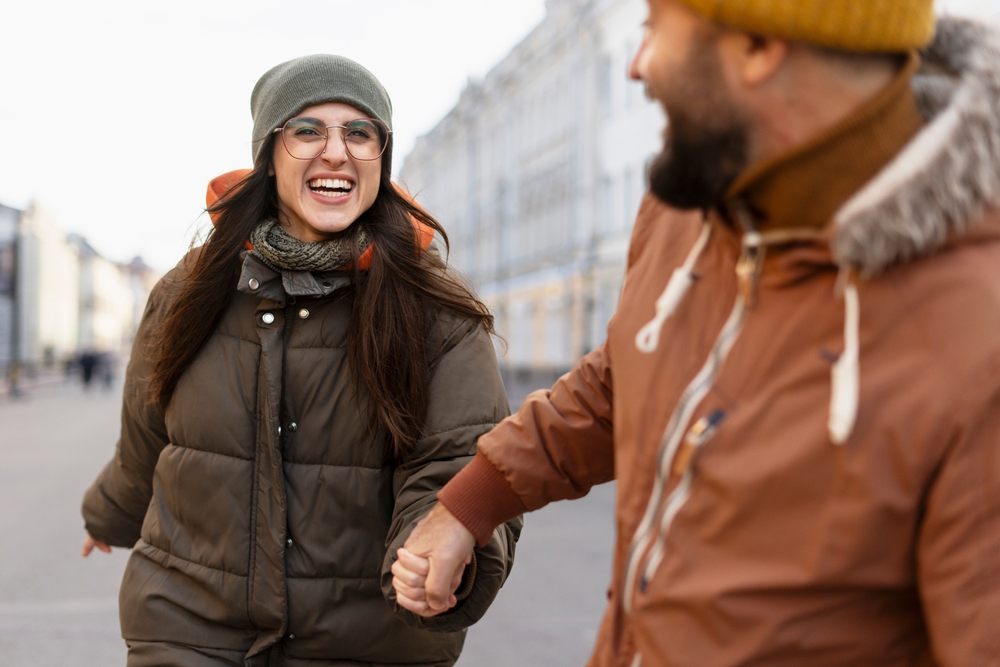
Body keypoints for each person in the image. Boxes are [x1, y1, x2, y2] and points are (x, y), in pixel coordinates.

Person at [392, 2, 1000, 665]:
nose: (635, 65)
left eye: (656, 30)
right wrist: (468, 505)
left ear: (759, 46)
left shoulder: (975, 326)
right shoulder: (688, 202)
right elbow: (624, 376)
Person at [80, 54, 520, 667]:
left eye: (359, 133)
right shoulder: (191, 290)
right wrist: (108, 514)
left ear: (380, 159)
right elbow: (148, 436)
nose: (335, 152)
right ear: (269, 154)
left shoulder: (433, 308)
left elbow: (459, 460)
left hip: (367, 641)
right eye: (307, 130)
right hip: (189, 630)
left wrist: (435, 547)